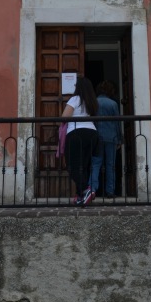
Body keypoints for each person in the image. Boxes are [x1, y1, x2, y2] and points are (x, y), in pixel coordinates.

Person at [62, 76, 98, 206]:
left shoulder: (75, 99)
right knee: (84, 165)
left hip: (76, 133)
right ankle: (81, 195)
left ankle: (85, 189)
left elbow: (65, 116)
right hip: (92, 133)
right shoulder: (92, 101)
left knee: (71, 165)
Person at [90, 81, 122, 199]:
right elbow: (117, 123)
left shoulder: (94, 103)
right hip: (111, 137)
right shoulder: (113, 104)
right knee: (110, 165)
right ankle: (110, 191)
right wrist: (120, 139)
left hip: (97, 137)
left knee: (96, 163)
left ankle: (92, 189)